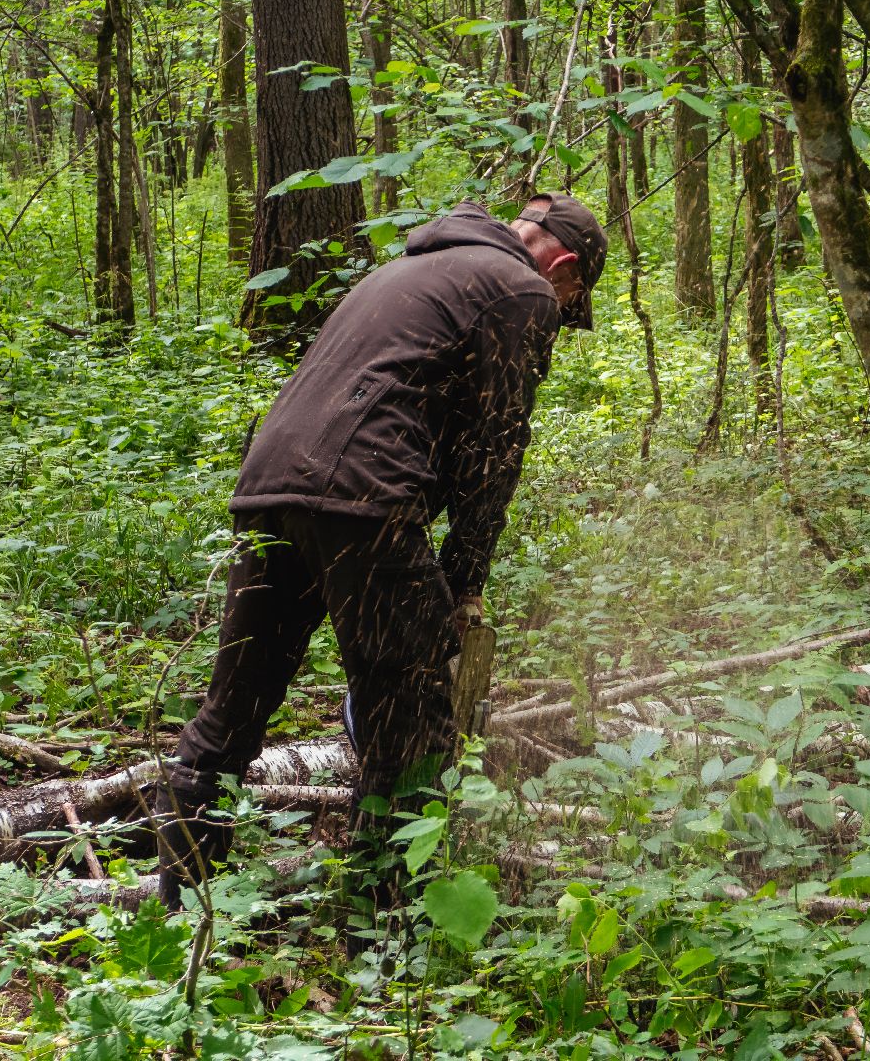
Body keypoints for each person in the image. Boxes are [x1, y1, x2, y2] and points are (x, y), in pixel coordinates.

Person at [156, 193, 608, 919]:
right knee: (414, 708)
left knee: (233, 709)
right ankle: (385, 931)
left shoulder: (410, 270)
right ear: (566, 267)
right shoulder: (521, 288)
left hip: (269, 487)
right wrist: (463, 585)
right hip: (363, 495)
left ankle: (176, 918)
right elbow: (493, 449)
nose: (560, 311)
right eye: (570, 299)